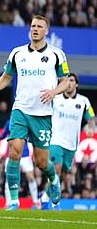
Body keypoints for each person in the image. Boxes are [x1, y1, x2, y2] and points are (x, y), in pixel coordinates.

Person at [0, 15, 69, 210]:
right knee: (14, 150)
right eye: (33, 26)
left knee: (41, 162)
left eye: (39, 26)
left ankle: (53, 180)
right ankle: (13, 200)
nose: (35, 29)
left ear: (46, 31)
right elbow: (7, 76)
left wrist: (53, 92)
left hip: (43, 114)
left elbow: (64, 81)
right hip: (20, 109)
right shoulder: (17, 53)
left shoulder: (57, 55)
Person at [42, 72, 95, 209]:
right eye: (67, 80)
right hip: (56, 140)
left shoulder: (83, 101)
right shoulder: (56, 97)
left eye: (72, 81)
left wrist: (91, 125)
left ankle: (45, 196)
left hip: (72, 144)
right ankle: (55, 203)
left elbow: (91, 118)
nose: (69, 83)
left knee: (64, 174)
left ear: (76, 84)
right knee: (57, 169)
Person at [0, 118, 40, 209]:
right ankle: (8, 202)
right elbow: (3, 135)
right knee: (9, 178)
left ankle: (36, 201)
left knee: (30, 177)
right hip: (12, 155)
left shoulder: (27, 120)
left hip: (24, 155)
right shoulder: (9, 122)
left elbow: (32, 136)